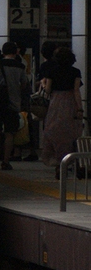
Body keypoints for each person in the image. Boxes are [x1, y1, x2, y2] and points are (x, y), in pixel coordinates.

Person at [0, 41, 29, 170]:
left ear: (3, 52)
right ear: (16, 52)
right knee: (10, 133)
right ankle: (6, 161)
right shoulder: (20, 66)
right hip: (13, 103)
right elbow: (24, 84)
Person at [40, 46, 84, 178]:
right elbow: (76, 91)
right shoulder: (75, 72)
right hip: (70, 103)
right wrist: (80, 108)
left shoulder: (52, 71)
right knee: (70, 134)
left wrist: (43, 84)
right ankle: (70, 162)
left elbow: (47, 90)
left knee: (54, 132)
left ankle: (58, 164)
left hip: (55, 104)